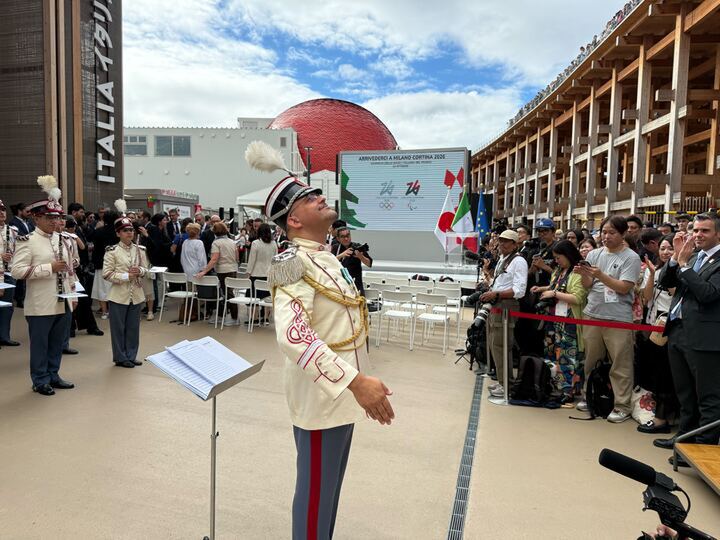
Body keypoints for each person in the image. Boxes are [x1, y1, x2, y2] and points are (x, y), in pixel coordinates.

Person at [262, 174, 394, 539]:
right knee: (315, 499)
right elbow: (294, 336)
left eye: (318, 192)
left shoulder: (326, 258)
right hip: (323, 397)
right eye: (309, 198)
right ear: (293, 220)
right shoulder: (294, 263)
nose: (320, 197)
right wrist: (356, 382)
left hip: (341, 395)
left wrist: (358, 385)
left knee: (327, 497)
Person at [654, 214, 720, 463]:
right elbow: (664, 282)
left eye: (705, 230)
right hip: (678, 331)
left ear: (718, 234)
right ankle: (684, 439)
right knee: (685, 392)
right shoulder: (691, 257)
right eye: (695, 230)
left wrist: (684, 265)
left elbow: (708, 293)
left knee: (708, 397)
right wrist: (675, 259)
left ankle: (702, 451)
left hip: (706, 338)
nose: (698, 235)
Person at [11, 181, 77, 396]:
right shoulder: (27, 241)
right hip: (40, 303)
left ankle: (53, 375)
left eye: (57, 217)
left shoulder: (63, 239)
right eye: (49, 217)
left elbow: (70, 270)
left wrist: (73, 294)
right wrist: (49, 268)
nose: (55, 221)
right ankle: (40, 380)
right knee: (40, 345)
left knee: (57, 343)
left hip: (63, 300)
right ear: (36, 218)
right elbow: (17, 271)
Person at [574, 215, 641, 423]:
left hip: (618, 317)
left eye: (612, 232)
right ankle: (589, 395)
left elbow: (624, 287)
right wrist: (584, 274)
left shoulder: (631, 258)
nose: (606, 236)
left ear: (623, 234)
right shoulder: (594, 253)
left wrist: (600, 275)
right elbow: (587, 285)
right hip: (593, 313)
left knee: (620, 363)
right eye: (604, 232)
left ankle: (622, 406)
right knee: (591, 360)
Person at [530, 240, 587, 401]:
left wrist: (554, 294)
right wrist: (542, 289)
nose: (556, 260)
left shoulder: (577, 272)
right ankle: (557, 385)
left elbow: (577, 298)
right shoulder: (559, 270)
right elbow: (554, 286)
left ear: (568, 255)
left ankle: (568, 390)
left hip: (569, 321)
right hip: (553, 320)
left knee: (568, 357)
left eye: (558, 257)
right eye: (555, 258)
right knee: (551, 353)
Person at [479, 229, 529, 398]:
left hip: (506, 305)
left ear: (515, 244)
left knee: (502, 345)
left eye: (506, 241)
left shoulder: (518, 261)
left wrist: (497, 294)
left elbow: (519, 290)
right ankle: (502, 381)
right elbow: (499, 282)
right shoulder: (503, 258)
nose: (502, 244)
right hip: (497, 303)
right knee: (495, 344)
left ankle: (507, 384)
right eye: (500, 240)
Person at [636, 234, 677, 434]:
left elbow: (677, 294)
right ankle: (660, 415)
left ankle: (662, 419)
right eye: (662, 248)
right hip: (653, 325)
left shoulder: (682, 270)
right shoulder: (654, 269)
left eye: (670, 248)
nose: (666, 252)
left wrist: (670, 271)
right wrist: (652, 274)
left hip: (673, 326)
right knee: (656, 373)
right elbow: (646, 297)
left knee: (666, 374)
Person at [103, 216, 150, 368]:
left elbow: (146, 269)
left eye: (131, 230)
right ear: (118, 233)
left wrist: (140, 271)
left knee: (133, 328)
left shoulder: (140, 250)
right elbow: (106, 274)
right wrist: (126, 276)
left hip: (136, 294)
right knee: (118, 329)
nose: (129, 233)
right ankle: (120, 357)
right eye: (125, 230)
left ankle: (131, 355)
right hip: (118, 295)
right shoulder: (112, 251)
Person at [196, 222, 240, 326]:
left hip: (222, 271)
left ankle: (234, 318)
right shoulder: (232, 242)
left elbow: (214, 259)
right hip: (233, 269)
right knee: (226, 293)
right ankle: (221, 316)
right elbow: (237, 257)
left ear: (215, 232)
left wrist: (204, 271)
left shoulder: (216, 243)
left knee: (226, 294)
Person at [246, 222, 278, 325]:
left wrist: (248, 272)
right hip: (269, 274)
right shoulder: (274, 243)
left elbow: (252, 259)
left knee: (254, 297)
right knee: (267, 297)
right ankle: (265, 319)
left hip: (256, 274)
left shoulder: (256, 243)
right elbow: (275, 259)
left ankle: (254, 319)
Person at [90, 210, 119, 319]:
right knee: (115, 287)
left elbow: (94, 244)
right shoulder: (119, 231)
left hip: (101, 262)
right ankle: (114, 311)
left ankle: (104, 312)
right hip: (116, 263)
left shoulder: (99, 231)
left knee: (102, 288)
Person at [0, 198, 20, 346]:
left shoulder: (13, 230)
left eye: (3, 210)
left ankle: (4, 337)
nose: (2, 213)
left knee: (7, 306)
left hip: (8, 273)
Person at [332, 227, 373, 295]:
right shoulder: (335, 247)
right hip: (339, 285)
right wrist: (341, 255)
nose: (346, 238)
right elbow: (330, 262)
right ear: (338, 239)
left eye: (348, 235)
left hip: (356, 286)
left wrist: (360, 256)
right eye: (343, 236)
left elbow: (369, 264)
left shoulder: (357, 246)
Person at [179, 223, 207, 321]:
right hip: (196, 270)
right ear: (198, 232)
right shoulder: (199, 243)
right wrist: (204, 269)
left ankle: (189, 313)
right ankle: (194, 313)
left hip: (186, 270)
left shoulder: (185, 242)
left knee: (189, 293)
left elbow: (182, 258)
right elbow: (202, 259)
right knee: (196, 294)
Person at [9, 202, 34, 308]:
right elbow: (17, 236)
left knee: (27, 276)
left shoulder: (29, 222)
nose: (29, 213)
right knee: (20, 277)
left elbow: (34, 232)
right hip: (19, 252)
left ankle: (25, 297)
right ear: (20, 211)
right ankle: (20, 299)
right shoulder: (13, 222)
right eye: (27, 211)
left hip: (30, 251)